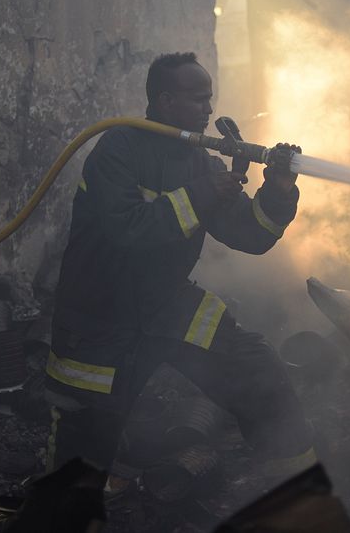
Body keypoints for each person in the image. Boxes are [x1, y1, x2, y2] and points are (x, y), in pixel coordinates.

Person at [45, 51, 316, 490]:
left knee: (254, 365)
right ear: (165, 101)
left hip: (166, 304)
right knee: (84, 444)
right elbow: (127, 231)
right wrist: (204, 192)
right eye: (198, 99)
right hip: (101, 316)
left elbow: (252, 235)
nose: (209, 109)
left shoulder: (201, 161)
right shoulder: (117, 150)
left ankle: (294, 481)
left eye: (210, 99)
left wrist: (278, 189)